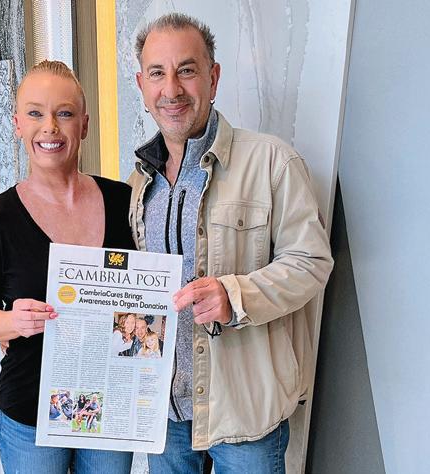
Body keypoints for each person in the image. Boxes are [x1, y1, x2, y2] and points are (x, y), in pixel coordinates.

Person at [127, 13, 334, 473]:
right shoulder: (139, 183)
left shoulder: (272, 162)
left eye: (186, 70)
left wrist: (234, 295)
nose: (172, 89)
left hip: (244, 417)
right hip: (165, 414)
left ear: (213, 77)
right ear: (142, 86)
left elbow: (311, 261)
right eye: (157, 73)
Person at [0, 60, 135, 474]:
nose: (50, 127)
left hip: (110, 407)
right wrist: (12, 322)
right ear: (17, 124)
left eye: (64, 113)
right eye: (36, 113)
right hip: (31, 415)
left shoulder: (125, 202)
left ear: (84, 124)